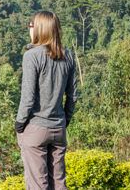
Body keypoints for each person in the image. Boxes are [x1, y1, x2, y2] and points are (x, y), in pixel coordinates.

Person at [14, 11, 79, 190]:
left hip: (35, 127)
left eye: (31, 25)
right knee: (59, 183)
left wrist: (19, 123)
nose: (29, 29)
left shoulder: (32, 56)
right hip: (58, 127)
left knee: (37, 185)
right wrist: (66, 119)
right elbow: (73, 95)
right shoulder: (68, 56)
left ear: (39, 29)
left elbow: (28, 98)